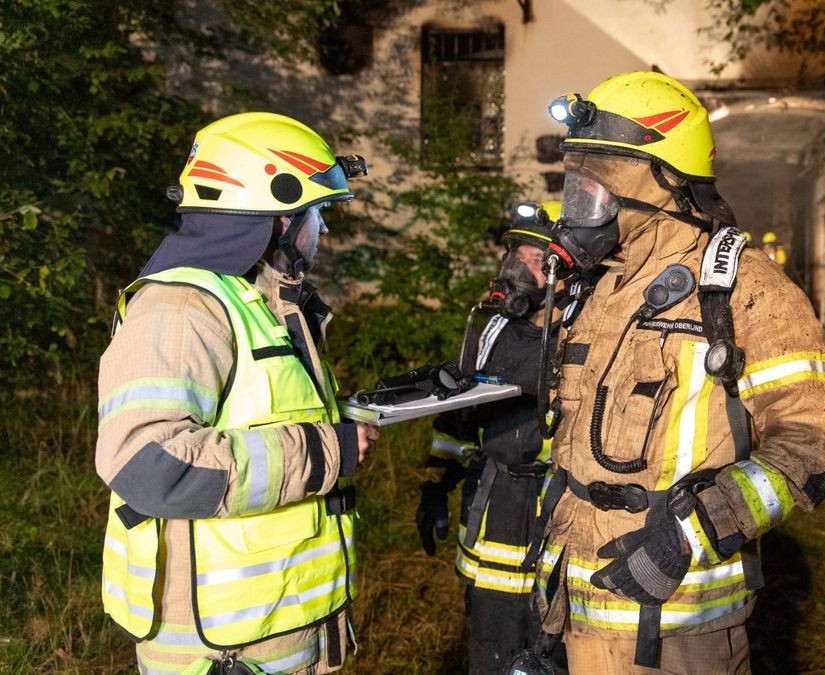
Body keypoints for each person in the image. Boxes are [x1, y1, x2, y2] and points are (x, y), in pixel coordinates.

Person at [527, 71, 825, 673]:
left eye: (594, 188)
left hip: (679, 626)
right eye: (575, 186)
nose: (577, 207)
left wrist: (690, 535)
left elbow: (814, 440)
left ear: (660, 184)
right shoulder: (602, 291)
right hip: (574, 610)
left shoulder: (744, 290)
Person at [96, 112, 378, 674]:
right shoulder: (180, 311)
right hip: (218, 649)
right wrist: (326, 452)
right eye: (316, 214)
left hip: (278, 627)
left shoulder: (260, 306)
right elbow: (152, 466)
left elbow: (256, 419)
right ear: (277, 219)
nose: (321, 231)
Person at [417, 202, 572, 674]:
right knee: (494, 643)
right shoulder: (492, 330)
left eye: (532, 260)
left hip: (559, 509)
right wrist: (437, 488)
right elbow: (458, 417)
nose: (515, 271)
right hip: (496, 508)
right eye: (515, 256)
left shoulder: (588, 335)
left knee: (561, 644)